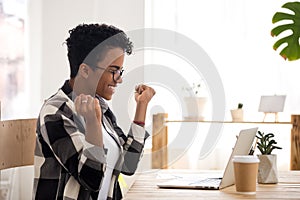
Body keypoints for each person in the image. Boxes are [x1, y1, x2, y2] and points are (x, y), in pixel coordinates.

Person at [32, 23, 155, 200]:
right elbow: (91, 179)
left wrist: (141, 107)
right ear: (85, 70)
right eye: (113, 71)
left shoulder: (100, 106)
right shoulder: (55, 113)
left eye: (121, 71)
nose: (119, 80)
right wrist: (93, 123)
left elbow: (128, 165)